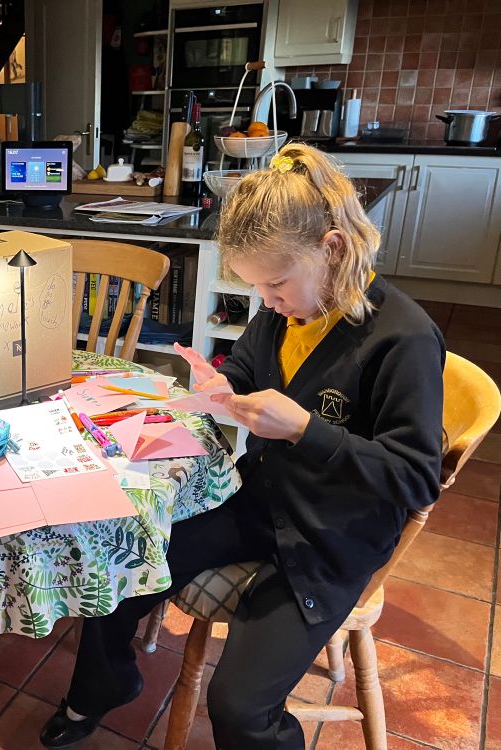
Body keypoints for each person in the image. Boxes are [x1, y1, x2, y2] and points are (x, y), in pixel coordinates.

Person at [39, 143, 445, 750]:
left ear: (332, 248)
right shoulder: (282, 317)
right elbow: (247, 378)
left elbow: (416, 478)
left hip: (331, 539)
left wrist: (308, 430)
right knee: (120, 558)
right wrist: (219, 389)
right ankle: (104, 683)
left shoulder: (403, 338)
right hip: (258, 501)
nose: (268, 302)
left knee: (239, 707)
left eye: (277, 283)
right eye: (257, 288)